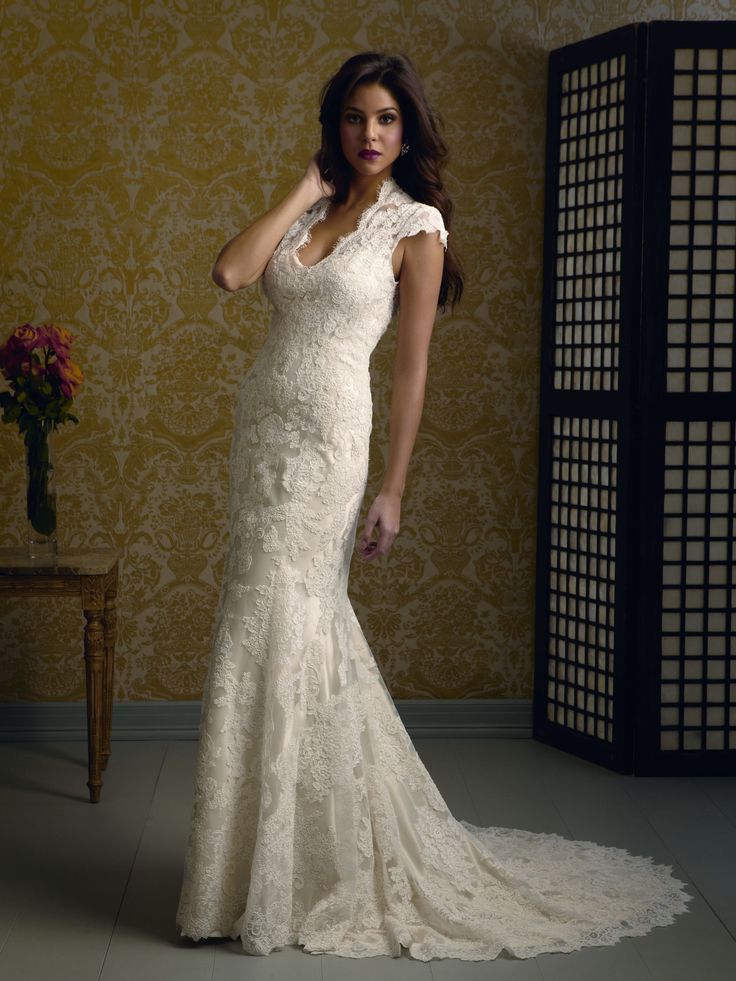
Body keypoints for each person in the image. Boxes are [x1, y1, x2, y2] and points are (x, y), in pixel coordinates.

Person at [175, 51, 691, 961]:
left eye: (384, 120)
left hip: (331, 442)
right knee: (260, 626)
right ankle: (264, 865)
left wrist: (394, 488)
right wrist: (303, 186)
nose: (368, 135)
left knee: (289, 619)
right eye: (352, 119)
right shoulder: (316, 208)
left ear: (407, 130)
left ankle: (285, 873)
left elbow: (410, 370)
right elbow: (230, 272)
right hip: (264, 435)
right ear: (334, 127)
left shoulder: (418, 226)